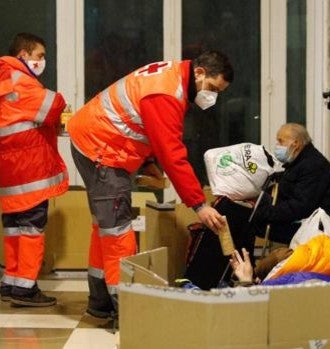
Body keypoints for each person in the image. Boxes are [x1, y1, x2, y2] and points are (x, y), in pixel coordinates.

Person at [67, 50, 234, 318]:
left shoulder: (171, 76)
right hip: (103, 150)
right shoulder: (168, 93)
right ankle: (128, 310)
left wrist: (147, 163)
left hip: (93, 140)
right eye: (213, 88)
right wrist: (199, 204)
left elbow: (143, 124)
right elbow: (172, 154)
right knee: (118, 232)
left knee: (106, 227)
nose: (212, 97)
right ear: (200, 73)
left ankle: (100, 302)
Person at [0, 33, 68, 307]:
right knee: (31, 228)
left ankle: (11, 282)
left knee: (14, 227)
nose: (42, 61)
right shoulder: (21, 81)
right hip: (28, 167)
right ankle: (25, 288)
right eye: (39, 56)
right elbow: (54, 105)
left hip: (7, 169)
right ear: (23, 55)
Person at [253, 123, 330, 244]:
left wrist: (264, 212)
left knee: (249, 222)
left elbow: (300, 207)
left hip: (307, 228)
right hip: (299, 219)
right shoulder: (301, 160)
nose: (277, 146)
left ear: (295, 144)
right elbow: (293, 181)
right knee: (247, 215)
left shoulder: (313, 165)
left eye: (281, 142)